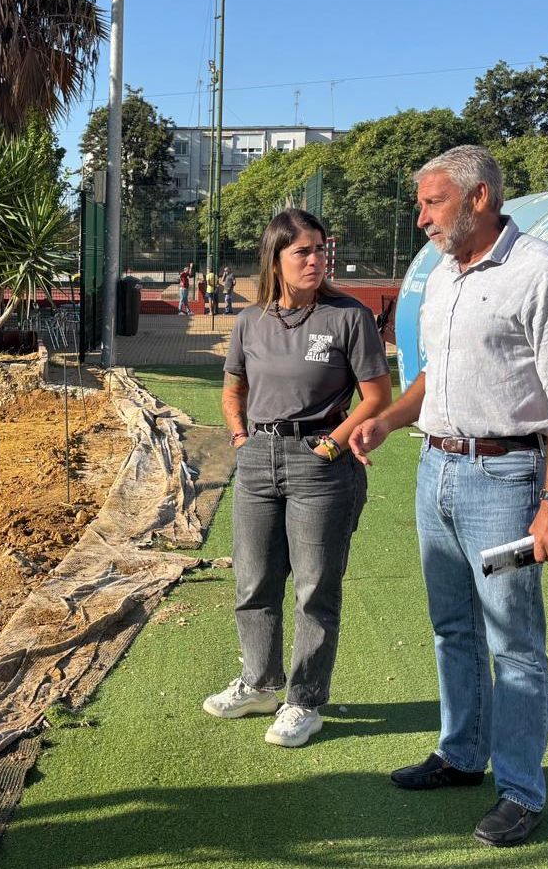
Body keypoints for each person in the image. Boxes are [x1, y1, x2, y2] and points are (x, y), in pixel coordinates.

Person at [349, 146, 548, 847]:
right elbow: (434, 377)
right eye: (421, 204)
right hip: (437, 471)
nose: (420, 218)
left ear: (479, 198)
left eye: (432, 203)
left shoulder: (543, 273)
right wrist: (388, 419)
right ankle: (461, 754)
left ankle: (520, 791)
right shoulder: (442, 278)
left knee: (514, 644)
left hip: (506, 478)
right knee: (451, 627)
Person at [205, 208, 392, 749]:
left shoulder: (348, 317)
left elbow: (376, 397)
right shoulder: (250, 321)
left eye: (320, 249)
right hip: (258, 459)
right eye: (302, 252)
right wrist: (240, 438)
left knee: (314, 589)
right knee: (253, 581)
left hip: (321, 462)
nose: (315, 260)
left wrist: (334, 443)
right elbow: (233, 389)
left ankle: (304, 701)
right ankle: (260, 683)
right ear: (276, 259)